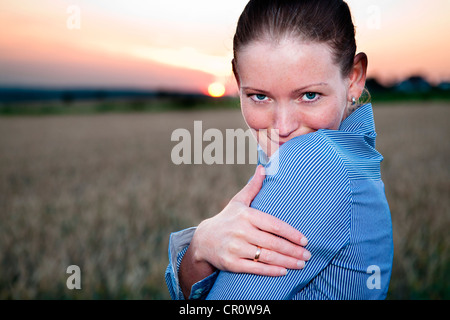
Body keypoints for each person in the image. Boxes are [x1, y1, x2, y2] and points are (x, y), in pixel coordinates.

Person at [165, 0, 393, 300]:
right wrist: (200, 247)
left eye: (309, 95)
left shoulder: (313, 163)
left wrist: (197, 254)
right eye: (260, 96)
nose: (282, 127)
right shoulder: (351, 159)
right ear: (238, 81)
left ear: (353, 77)